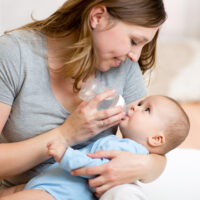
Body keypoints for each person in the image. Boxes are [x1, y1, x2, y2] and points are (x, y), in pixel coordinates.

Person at [0, 0, 167, 199]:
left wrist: (142, 165)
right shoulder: (14, 54)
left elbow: (154, 146)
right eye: (133, 41)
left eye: (143, 45)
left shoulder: (123, 67)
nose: (135, 56)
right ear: (97, 17)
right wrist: (65, 134)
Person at [0, 95, 190, 200]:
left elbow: (93, 168)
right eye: (140, 103)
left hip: (57, 195)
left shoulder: (129, 153)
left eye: (146, 110)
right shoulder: (119, 143)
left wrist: (64, 154)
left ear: (156, 139)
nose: (134, 107)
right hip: (47, 184)